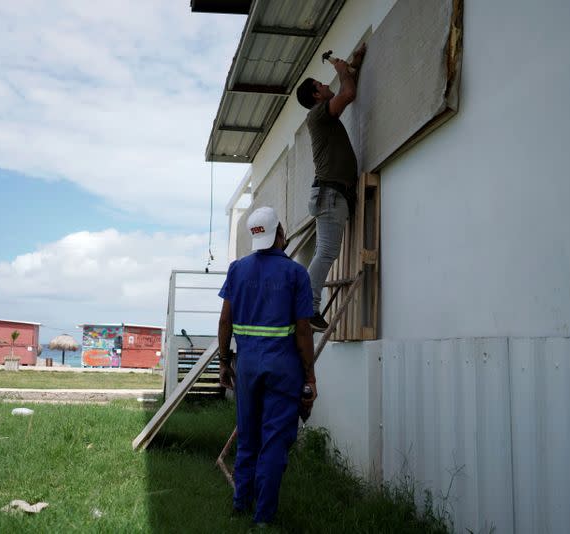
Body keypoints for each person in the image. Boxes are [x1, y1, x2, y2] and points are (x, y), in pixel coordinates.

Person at [217, 206, 317, 526]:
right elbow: (303, 331)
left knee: (248, 437)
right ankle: (263, 519)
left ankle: (239, 505)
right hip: (283, 368)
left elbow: (225, 320)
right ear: (280, 234)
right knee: (274, 442)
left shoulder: (237, 269)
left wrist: (223, 362)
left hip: (246, 367)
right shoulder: (296, 273)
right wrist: (310, 377)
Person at [295, 43, 367, 331]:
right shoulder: (318, 114)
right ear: (316, 95)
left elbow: (347, 85)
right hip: (329, 194)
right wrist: (342, 71)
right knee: (325, 253)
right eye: (322, 84)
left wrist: (354, 63)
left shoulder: (324, 112)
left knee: (324, 252)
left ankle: (308, 306)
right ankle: (309, 308)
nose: (327, 85)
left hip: (331, 194)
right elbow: (348, 92)